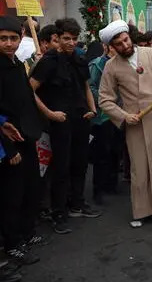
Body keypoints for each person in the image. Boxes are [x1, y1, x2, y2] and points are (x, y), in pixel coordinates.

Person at [98, 20, 152, 228]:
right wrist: (124, 115)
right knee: (140, 168)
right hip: (136, 123)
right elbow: (105, 100)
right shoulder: (111, 67)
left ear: (130, 36)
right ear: (111, 47)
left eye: (125, 40)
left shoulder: (151, 54)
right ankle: (142, 211)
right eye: (118, 44)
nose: (124, 46)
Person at [30, 18, 100, 235]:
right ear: (57, 38)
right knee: (61, 168)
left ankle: (77, 204)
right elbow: (29, 90)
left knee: (79, 164)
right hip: (59, 121)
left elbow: (86, 87)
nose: (71, 42)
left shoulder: (79, 58)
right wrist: (50, 113)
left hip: (81, 118)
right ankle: (58, 213)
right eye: (66, 39)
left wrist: (92, 109)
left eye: (74, 39)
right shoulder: (48, 61)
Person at [0, 16, 45, 265]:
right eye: (3, 39)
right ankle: (12, 243)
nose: (9, 43)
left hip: (27, 135)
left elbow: (27, 98)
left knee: (31, 187)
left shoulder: (16, 63)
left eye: (13, 38)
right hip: (9, 141)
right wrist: (8, 148)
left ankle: (28, 233)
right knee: (12, 194)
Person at [88, 42, 124, 205]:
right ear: (107, 46)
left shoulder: (123, 63)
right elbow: (91, 86)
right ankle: (98, 189)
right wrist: (107, 100)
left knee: (117, 150)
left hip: (120, 115)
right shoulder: (97, 64)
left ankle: (112, 184)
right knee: (102, 154)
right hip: (103, 116)